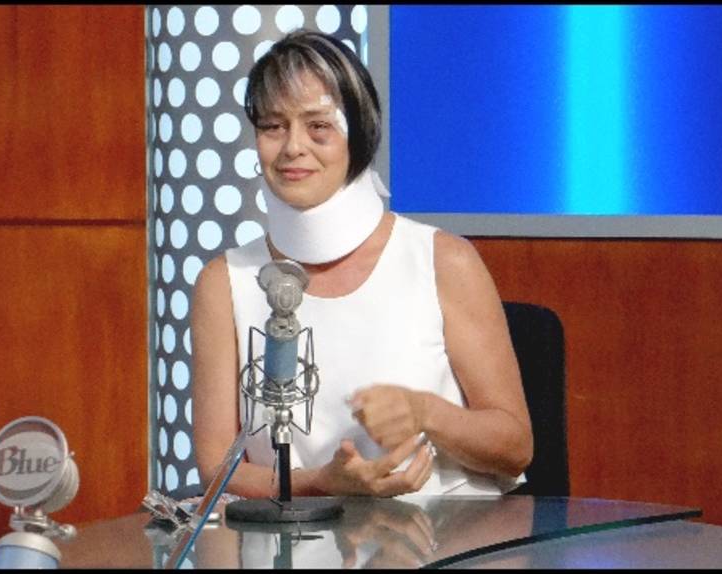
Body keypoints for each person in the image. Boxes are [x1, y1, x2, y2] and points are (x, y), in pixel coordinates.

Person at [191, 29, 532, 498]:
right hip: (296, 536)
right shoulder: (225, 282)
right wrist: (321, 484)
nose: (293, 147)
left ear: (360, 132)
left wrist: (427, 413)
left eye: (318, 126)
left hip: (451, 530)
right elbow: (218, 471)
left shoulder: (443, 260)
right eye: (273, 126)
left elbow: (516, 447)